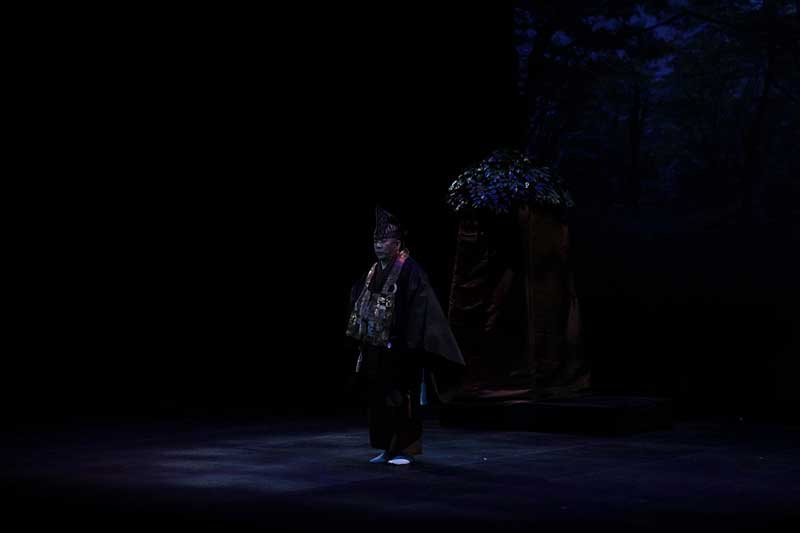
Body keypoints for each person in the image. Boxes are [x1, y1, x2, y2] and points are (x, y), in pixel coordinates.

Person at [347, 206, 465, 465]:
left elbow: (421, 308)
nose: (378, 244)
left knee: (401, 398)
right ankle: (386, 448)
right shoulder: (373, 271)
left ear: (397, 243)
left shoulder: (410, 270)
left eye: (384, 240)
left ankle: (405, 450)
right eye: (375, 240)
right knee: (379, 399)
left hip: (402, 348)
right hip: (377, 347)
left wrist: (408, 345)